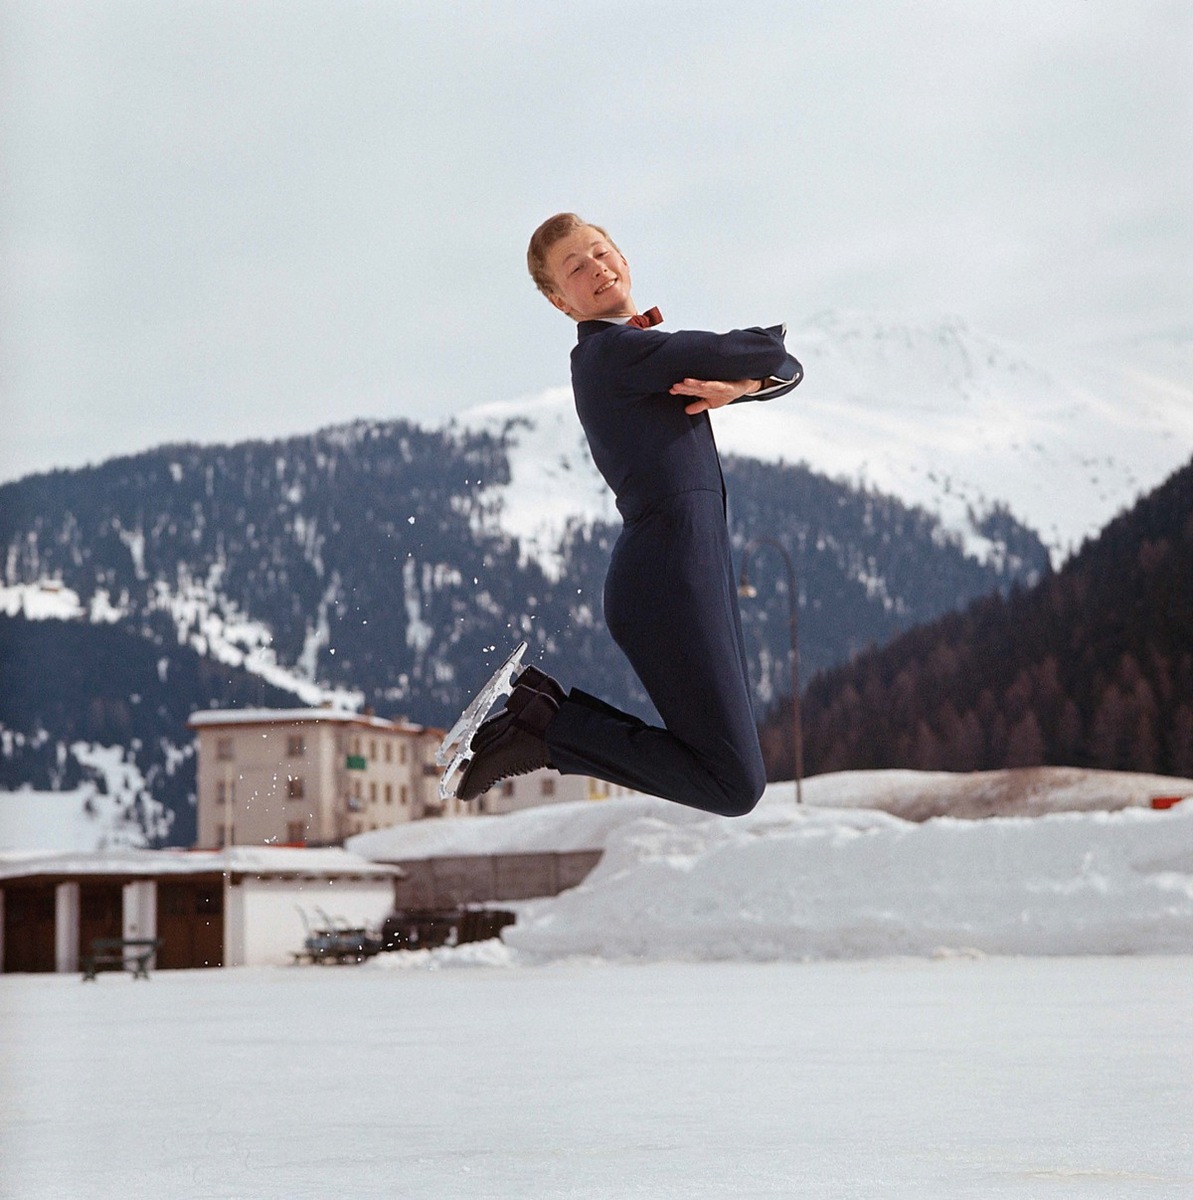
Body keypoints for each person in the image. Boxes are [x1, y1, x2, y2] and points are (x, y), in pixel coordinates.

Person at [454, 213, 802, 817]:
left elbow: (781, 364)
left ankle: (544, 718)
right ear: (561, 302)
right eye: (576, 268)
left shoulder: (637, 352)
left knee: (735, 775)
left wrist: (740, 386)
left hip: (693, 575)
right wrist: (744, 378)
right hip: (668, 581)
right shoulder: (613, 354)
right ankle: (543, 727)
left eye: (600, 252)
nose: (597, 268)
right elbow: (766, 348)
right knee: (734, 784)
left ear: (623, 256)